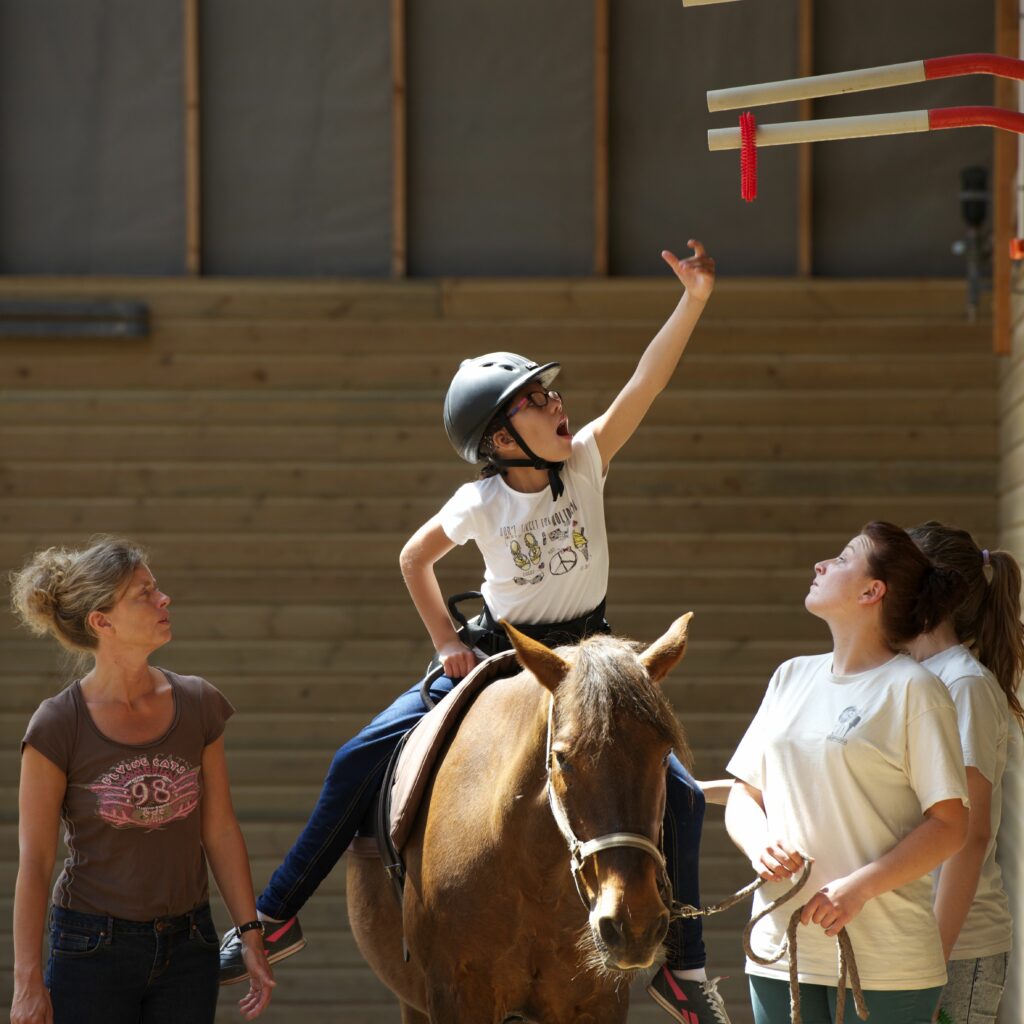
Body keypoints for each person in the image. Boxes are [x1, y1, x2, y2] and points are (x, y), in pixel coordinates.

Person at [220, 242, 732, 1023]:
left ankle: (681, 963)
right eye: (536, 400)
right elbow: (413, 557)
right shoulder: (478, 501)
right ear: (500, 440)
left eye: (552, 393)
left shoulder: (587, 459)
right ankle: (279, 910)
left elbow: (645, 383)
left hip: (591, 653)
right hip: (501, 647)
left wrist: (692, 301)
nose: (558, 404)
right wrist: (446, 644)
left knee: (683, 793)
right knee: (357, 757)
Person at [10, 538, 274, 1024]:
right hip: (90, 949)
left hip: (189, 943)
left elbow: (219, 830)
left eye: (157, 588)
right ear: (101, 621)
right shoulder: (54, 725)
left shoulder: (199, 703)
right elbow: (36, 861)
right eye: (144, 593)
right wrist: (26, 981)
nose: (163, 599)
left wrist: (249, 932)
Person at [724, 521, 970, 1024]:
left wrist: (857, 889)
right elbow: (744, 794)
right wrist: (758, 844)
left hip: (887, 967)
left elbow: (951, 825)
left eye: (841, 559)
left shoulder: (914, 690)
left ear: (871, 591)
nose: (821, 565)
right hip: (779, 954)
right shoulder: (790, 675)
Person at [906, 522, 1024, 1024]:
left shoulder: (966, 686)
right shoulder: (915, 677)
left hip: (955, 947)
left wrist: (929, 964)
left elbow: (971, 837)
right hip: (914, 945)